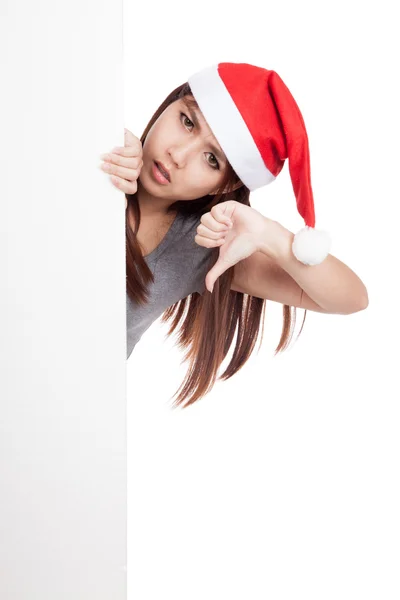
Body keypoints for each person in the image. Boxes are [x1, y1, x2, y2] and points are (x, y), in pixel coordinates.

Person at [99, 61, 369, 409]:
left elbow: (352, 298)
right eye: (186, 121)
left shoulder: (203, 247)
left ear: (225, 184)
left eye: (211, 159)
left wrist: (270, 235)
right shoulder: (103, 155)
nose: (178, 155)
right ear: (170, 103)